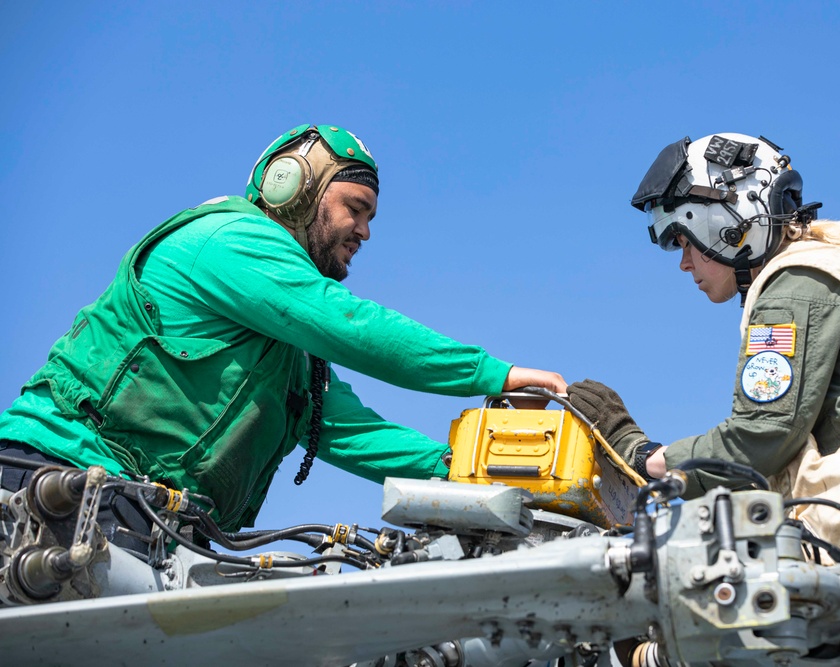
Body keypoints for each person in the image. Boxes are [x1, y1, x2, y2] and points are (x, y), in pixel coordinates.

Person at [0, 123, 565, 550]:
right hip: (56, 478)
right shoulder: (229, 239)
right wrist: (494, 375)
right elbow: (347, 324)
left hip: (148, 517)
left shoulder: (287, 357)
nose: (365, 232)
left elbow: (347, 431)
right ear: (292, 187)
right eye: (356, 208)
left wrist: (490, 471)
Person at [568, 133, 840, 655]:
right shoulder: (834, 266)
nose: (683, 263)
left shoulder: (794, 282)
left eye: (683, 239)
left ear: (728, 221)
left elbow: (763, 434)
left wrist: (645, 457)